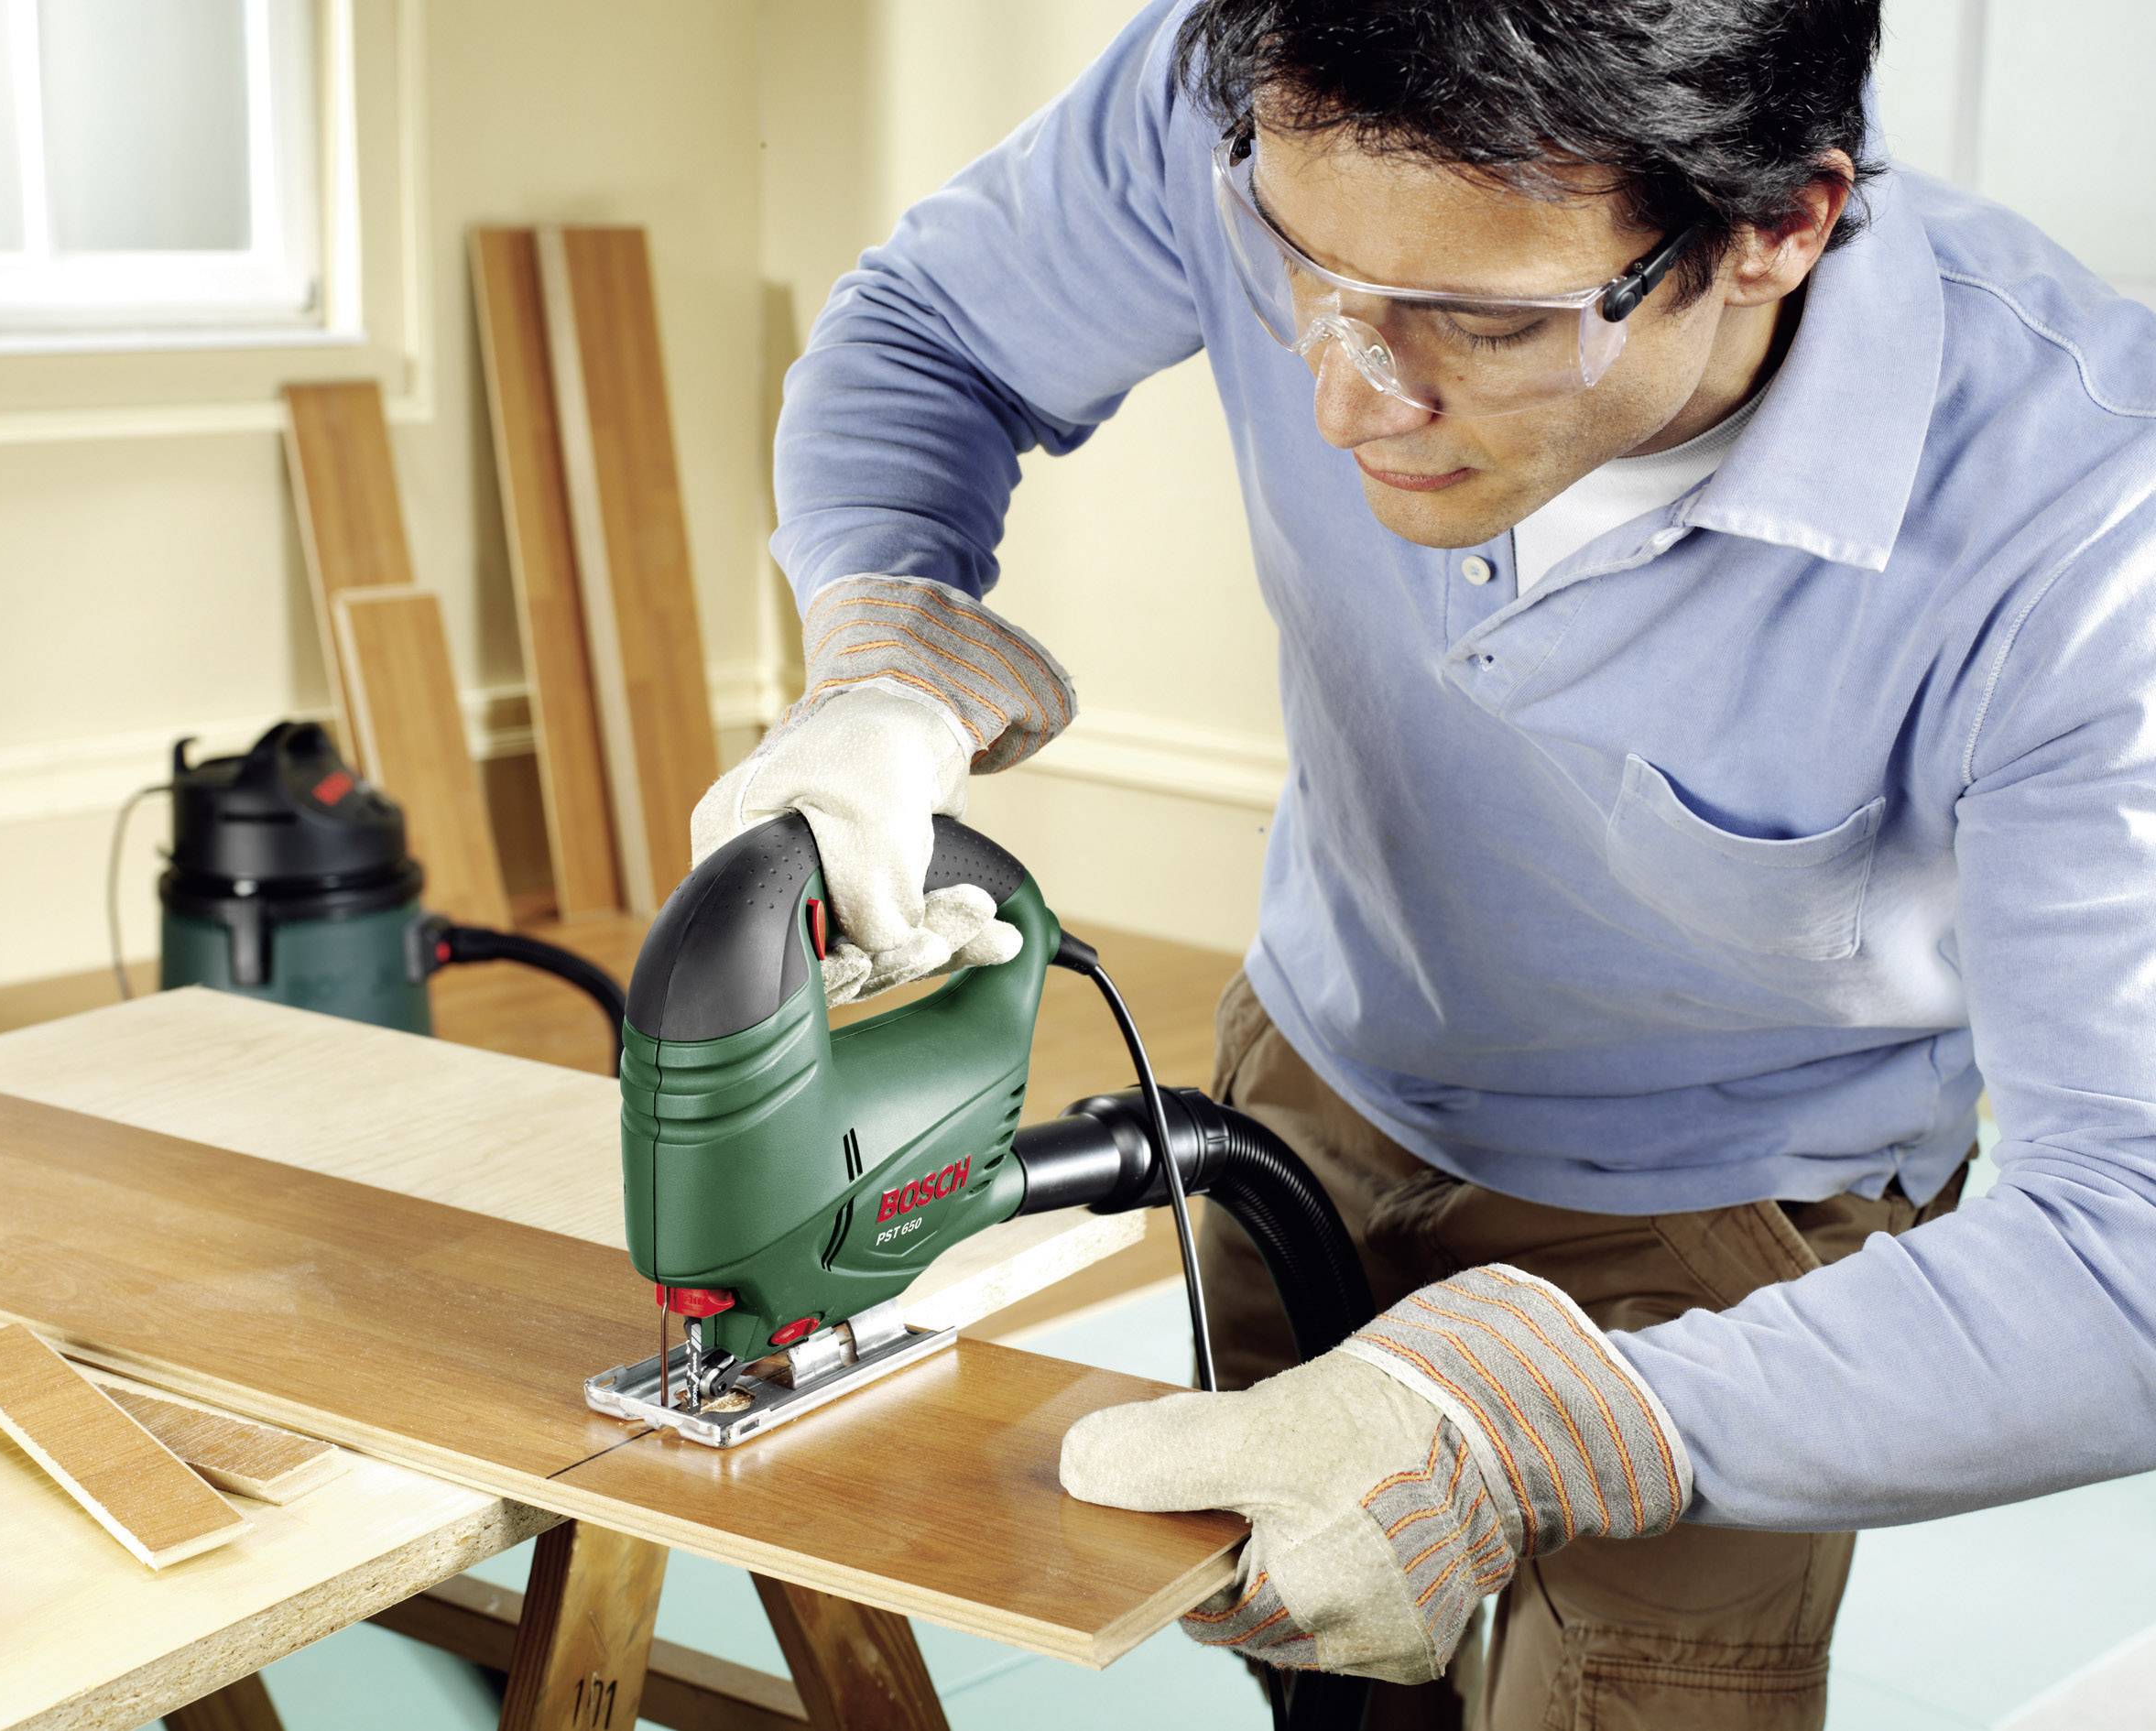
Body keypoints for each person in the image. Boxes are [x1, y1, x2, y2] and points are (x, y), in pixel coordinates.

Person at [690, 2, 2156, 1726]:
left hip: (1729, 1232)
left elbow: (2129, 1245)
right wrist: (888, 649)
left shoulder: (2084, 534)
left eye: (1474, 320)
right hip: (1320, 1078)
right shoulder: (1264, 84)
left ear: (1780, 230)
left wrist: (1534, 1413)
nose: (1340, 393)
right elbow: (932, 327)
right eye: (1295, 269)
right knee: (1326, 1674)